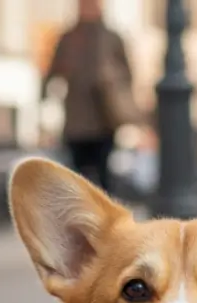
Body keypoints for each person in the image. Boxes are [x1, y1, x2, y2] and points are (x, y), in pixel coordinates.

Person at [42, 0, 133, 193]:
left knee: (104, 177)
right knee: (76, 180)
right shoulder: (68, 38)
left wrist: (110, 78)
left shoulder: (112, 38)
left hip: (104, 119)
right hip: (76, 123)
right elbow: (52, 71)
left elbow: (127, 75)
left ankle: (107, 220)